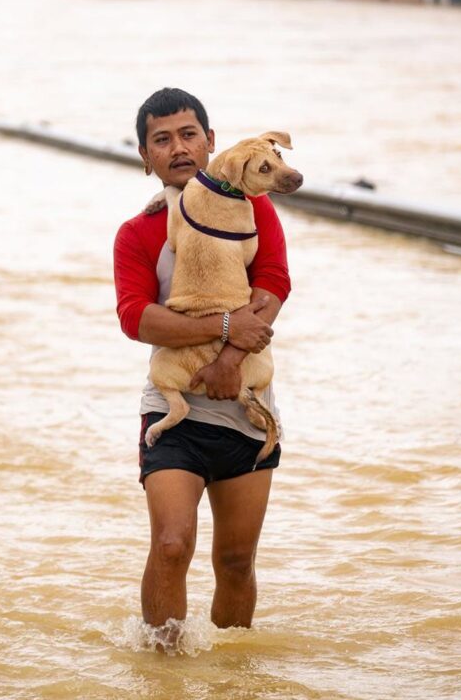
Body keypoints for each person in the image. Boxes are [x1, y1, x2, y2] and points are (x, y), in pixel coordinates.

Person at [113, 87, 292, 649]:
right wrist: (221, 330)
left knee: (236, 561)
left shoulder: (255, 210)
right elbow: (136, 318)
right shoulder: (137, 233)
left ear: (212, 142)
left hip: (244, 408)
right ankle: (161, 672)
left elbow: (274, 286)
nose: (178, 148)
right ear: (146, 157)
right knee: (171, 544)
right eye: (161, 140)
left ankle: (232, 680)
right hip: (175, 409)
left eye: (189, 134)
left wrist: (232, 358)